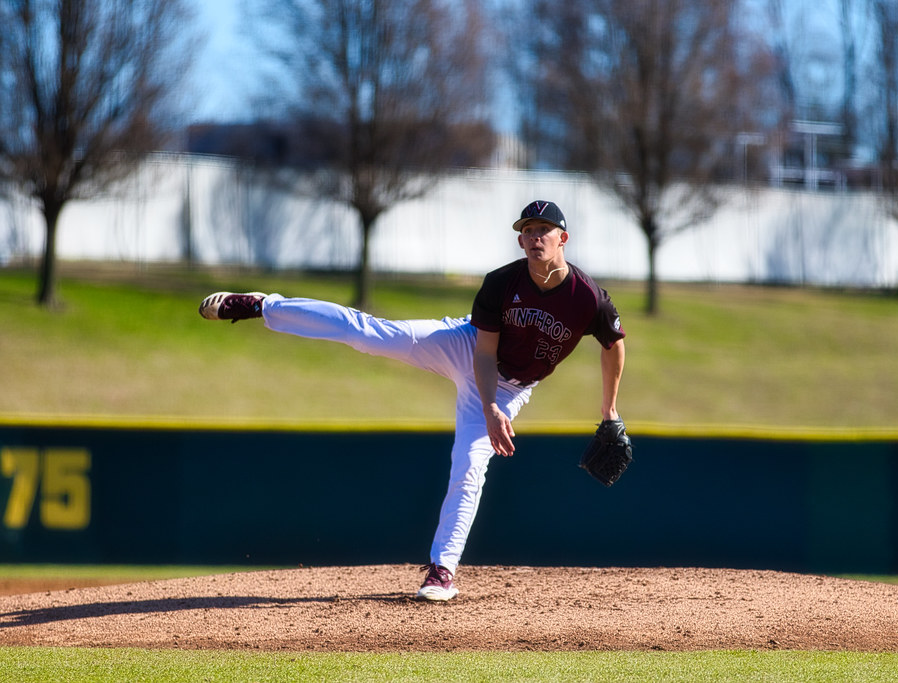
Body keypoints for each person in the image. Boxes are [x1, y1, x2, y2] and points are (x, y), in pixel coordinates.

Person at [198, 200, 626, 601]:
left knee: (470, 466)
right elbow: (483, 351)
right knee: (369, 333)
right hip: (466, 346)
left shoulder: (588, 298)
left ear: (562, 239)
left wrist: (608, 410)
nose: (536, 237)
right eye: (528, 230)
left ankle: (442, 570)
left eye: (544, 230)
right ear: (520, 240)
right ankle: (263, 305)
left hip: (513, 386)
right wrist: (489, 407)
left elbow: (613, 344)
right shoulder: (502, 282)